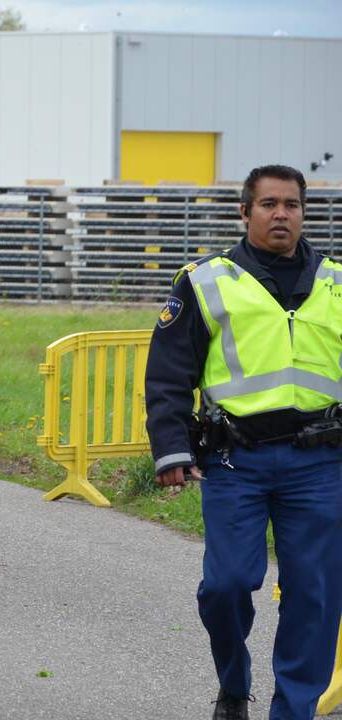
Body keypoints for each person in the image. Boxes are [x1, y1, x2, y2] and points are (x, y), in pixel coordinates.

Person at [144, 164, 342, 720]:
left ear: (304, 212)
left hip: (321, 463)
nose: (281, 214)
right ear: (245, 212)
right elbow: (168, 374)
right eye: (269, 204)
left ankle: (293, 710)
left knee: (315, 594)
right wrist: (172, 448)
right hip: (236, 461)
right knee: (226, 586)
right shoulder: (206, 281)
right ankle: (234, 682)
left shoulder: (336, 282)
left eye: (292, 205)